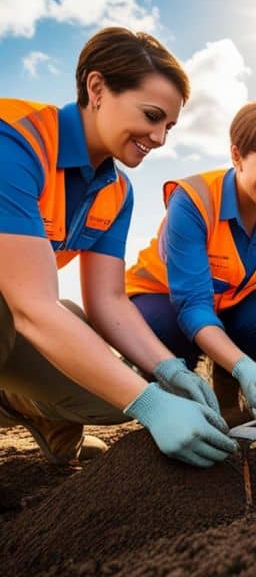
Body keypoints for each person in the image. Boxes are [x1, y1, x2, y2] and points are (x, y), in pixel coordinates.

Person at [0, 27, 238, 468]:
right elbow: (32, 306)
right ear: (97, 88)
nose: (160, 138)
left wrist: (168, 372)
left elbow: (108, 299)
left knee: (110, 399)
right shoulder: (14, 142)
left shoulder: (115, 190)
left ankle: (23, 403)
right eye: (151, 116)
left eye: (168, 126)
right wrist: (150, 405)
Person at [126, 102, 256, 424]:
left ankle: (226, 377)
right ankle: (176, 384)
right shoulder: (193, 199)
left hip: (228, 301)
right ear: (237, 156)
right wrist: (245, 366)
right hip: (162, 298)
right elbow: (192, 304)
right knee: (163, 329)